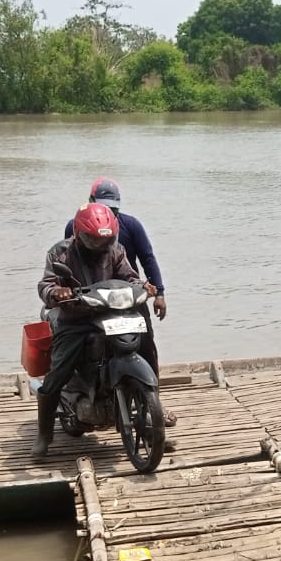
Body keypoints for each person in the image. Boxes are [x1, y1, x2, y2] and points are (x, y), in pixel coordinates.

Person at [31, 202, 155, 461]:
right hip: (76, 318)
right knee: (60, 368)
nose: (100, 246)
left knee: (145, 343)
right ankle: (44, 434)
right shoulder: (60, 254)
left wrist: (143, 286)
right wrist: (57, 292)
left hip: (110, 314)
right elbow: (46, 284)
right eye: (93, 240)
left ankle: (153, 414)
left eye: (105, 240)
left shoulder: (116, 251)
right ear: (79, 234)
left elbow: (129, 277)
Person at [64, 177, 175, 426]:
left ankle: (153, 400)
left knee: (146, 346)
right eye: (104, 207)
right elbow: (68, 266)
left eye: (114, 209)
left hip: (129, 298)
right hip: (94, 301)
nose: (110, 213)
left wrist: (159, 293)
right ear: (91, 202)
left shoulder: (130, 226)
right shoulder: (76, 226)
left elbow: (147, 259)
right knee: (83, 347)